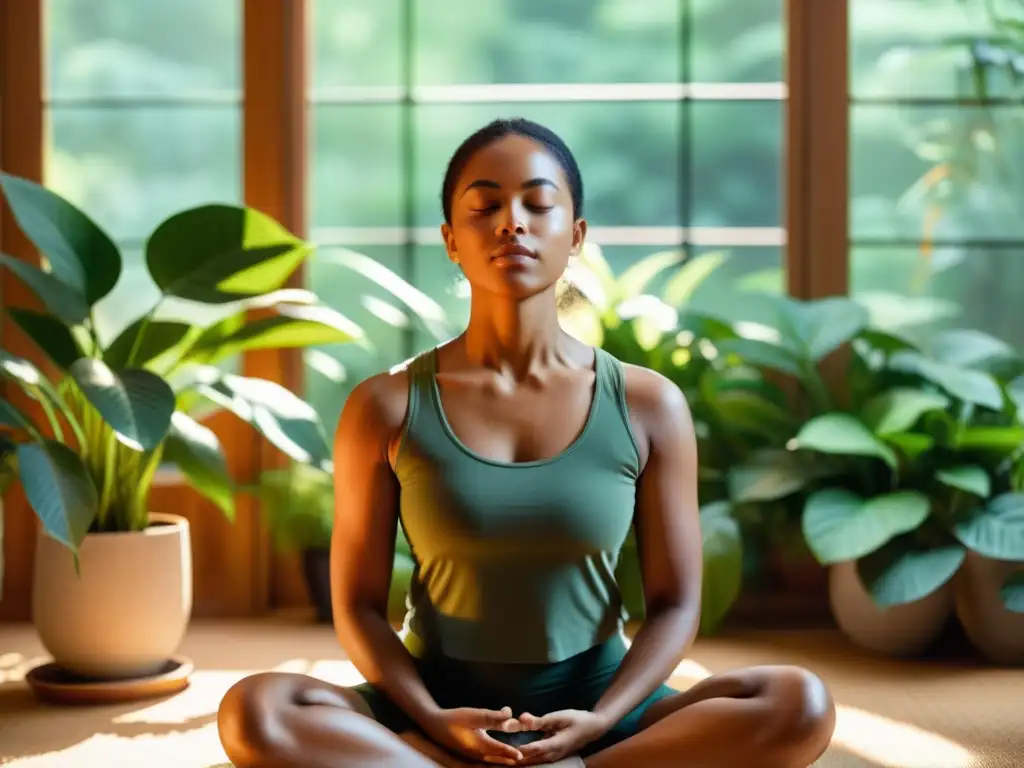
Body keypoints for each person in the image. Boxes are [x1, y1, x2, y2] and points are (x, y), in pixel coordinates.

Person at [217, 118, 836, 768]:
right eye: (485, 206)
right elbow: (359, 606)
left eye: (538, 204)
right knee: (255, 711)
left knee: (798, 702)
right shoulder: (385, 406)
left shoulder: (651, 406)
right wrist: (431, 718)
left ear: (575, 237)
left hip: (594, 706)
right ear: (452, 241)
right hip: (436, 704)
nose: (512, 222)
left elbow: (677, 603)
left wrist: (598, 721)